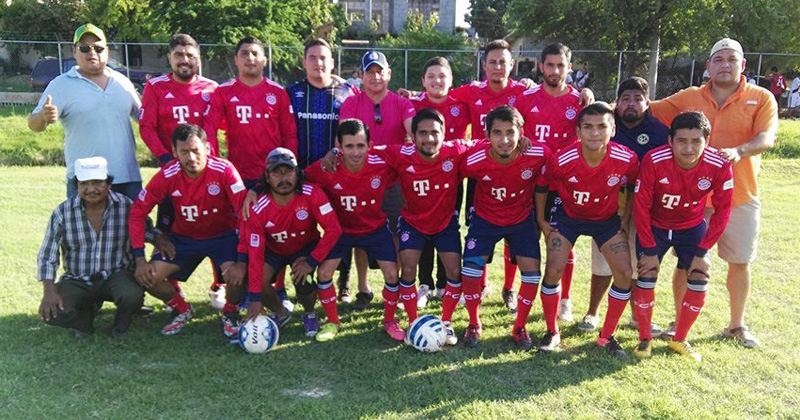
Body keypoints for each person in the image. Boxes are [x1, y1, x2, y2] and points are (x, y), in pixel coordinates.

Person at [649, 38, 778, 348]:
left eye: (732, 59)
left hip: (740, 195)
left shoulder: (761, 97)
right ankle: (678, 322)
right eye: (718, 59)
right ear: (708, 65)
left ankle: (736, 325)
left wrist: (739, 151)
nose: (725, 65)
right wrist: (593, 100)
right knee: (686, 261)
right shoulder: (689, 97)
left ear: (742, 65)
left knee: (740, 261)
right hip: (692, 199)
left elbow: (767, 137)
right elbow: (646, 108)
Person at [535, 102, 638, 357]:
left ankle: (607, 336)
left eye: (602, 127)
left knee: (625, 272)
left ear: (613, 130)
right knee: (553, 269)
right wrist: (542, 220)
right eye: (588, 127)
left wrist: (625, 218)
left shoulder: (627, 158)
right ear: (578, 131)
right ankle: (552, 331)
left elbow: (633, 187)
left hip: (605, 220)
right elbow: (542, 186)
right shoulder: (562, 158)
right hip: (568, 217)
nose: (595, 133)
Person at [203, 36, 298, 311]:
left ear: (264, 59)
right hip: (238, 177)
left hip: (273, 177)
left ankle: (277, 288)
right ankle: (240, 287)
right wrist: (216, 166)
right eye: (244, 53)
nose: (250, 58)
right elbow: (209, 130)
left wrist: (289, 170)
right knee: (240, 234)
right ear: (236, 59)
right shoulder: (224, 92)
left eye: (255, 53)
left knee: (276, 231)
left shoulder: (277, 92)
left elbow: (290, 134)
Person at [632, 112, 733, 362]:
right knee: (646, 273)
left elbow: (723, 211)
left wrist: (702, 252)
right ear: (670, 140)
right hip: (656, 226)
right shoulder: (654, 159)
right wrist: (649, 249)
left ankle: (680, 338)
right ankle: (645, 338)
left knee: (700, 274)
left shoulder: (719, 164)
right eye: (681, 141)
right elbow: (641, 206)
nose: (688, 148)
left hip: (691, 227)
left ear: (707, 141)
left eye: (696, 141)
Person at [129, 124, 247, 338]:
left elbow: (245, 214)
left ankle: (230, 312)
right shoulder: (167, 175)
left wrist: (242, 258)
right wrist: (139, 259)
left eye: (195, 150)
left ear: (207, 148)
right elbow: (137, 212)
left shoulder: (224, 170)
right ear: (174, 152)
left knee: (238, 274)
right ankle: (182, 309)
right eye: (184, 152)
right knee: (148, 277)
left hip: (223, 237)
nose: (191, 157)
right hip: (184, 239)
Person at [370, 108, 474, 345]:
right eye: (423, 133)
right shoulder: (400, 153)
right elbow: (367, 151)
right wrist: (335, 152)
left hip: (445, 224)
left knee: (454, 272)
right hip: (413, 223)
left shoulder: (456, 150)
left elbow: (485, 144)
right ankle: (413, 322)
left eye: (434, 132)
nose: (429, 138)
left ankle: (446, 323)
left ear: (444, 134)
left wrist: (522, 142)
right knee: (407, 270)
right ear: (413, 136)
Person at [139, 33, 225, 309]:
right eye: (179, 55)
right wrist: (167, 159)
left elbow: (214, 129)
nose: (184, 60)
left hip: (207, 173)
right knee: (168, 227)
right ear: (170, 58)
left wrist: (212, 164)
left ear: (198, 58)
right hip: (172, 173)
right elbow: (147, 127)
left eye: (190, 55)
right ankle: (172, 287)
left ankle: (219, 285)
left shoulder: (211, 88)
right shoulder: (156, 86)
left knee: (218, 227)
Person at [580, 77, 669, 334]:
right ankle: (592, 312)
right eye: (625, 99)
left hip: (645, 207)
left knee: (637, 262)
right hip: (609, 206)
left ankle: (636, 316)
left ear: (647, 103)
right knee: (602, 262)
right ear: (617, 102)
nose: (631, 104)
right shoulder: (607, 124)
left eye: (637, 99)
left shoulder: (659, 132)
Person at [304, 119, 407, 341]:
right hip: (341, 231)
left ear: (370, 145)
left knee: (391, 274)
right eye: (349, 146)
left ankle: (390, 320)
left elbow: (410, 159)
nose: (355, 152)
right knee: (324, 273)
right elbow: (299, 179)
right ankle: (332, 322)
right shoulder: (327, 167)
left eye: (360, 145)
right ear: (339, 147)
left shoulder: (382, 163)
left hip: (375, 229)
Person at [458, 106, 549, 349]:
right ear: (487, 135)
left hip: (521, 220)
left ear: (521, 133)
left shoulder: (538, 153)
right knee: (470, 273)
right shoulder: (474, 159)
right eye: (497, 133)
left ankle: (519, 326)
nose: (505, 140)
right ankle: (474, 323)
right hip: (485, 219)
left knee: (532, 275)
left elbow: (556, 169)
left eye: (511, 132)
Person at [37, 157, 154, 339]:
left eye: (97, 183)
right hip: (77, 278)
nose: (91, 189)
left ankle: (121, 325)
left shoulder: (126, 205)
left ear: (109, 184)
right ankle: (85, 320)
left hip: (117, 274)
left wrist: (159, 238)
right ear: (76, 185)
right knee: (52, 312)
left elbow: (145, 231)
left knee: (132, 295)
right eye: (84, 183)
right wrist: (49, 291)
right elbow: (47, 255)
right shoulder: (62, 212)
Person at [28, 24, 142, 200]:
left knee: (132, 220)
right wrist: (42, 117)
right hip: (84, 181)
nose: (92, 52)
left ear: (107, 51)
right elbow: (33, 124)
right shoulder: (61, 85)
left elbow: (145, 119)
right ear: (74, 51)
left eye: (98, 48)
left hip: (127, 179)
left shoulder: (122, 82)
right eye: (84, 48)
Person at [514, 43, 585, 321]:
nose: (555, 70)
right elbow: (511, 130)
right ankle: (516, 291)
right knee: (522, 238)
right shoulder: (525, 98)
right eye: (550, 65)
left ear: (569, 67)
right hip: (528, 181)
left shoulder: (579, 101)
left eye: (560, 65)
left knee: (562, 242)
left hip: (562, 185)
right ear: (541, 67)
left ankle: (564, 299)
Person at [339, 50, 415, 309]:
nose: (375, 77)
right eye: (369, 72)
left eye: (379, 71)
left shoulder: (401, 103)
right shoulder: (352, 103)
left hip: (392, 181)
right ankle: (363, 288)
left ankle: (393, 288)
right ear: (361, 76)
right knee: (360, 234)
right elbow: (343, 137)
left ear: (389, 74)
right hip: (360, 181)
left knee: (395, 234)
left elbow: (413, 128)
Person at [285, 38, 359, 303]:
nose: (319, 63)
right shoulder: (291, 92)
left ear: (332, 62)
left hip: (338, 174)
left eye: (324, 58)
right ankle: (303, 282)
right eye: (313, 58)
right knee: (301, 229)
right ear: (304, 62)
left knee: (343, 225)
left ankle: (344, 281)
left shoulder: (348, 92)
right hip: (302, 175)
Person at [243, 148, 342, 341]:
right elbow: (255, 254)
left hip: (304, 248)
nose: (283, 178)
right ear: (267, 177)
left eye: (288, 172)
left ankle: (309, 312)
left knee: (303, 277)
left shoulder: (312, 193)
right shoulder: (257, 207)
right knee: (256, 279)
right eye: (276, 173)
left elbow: (333, 229)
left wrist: (311, 261)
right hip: (274, 250)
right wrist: (255, 299)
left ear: (297, 173)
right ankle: (280, 312)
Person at [409, 57, 471, 307]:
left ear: (451, 80)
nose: (437, 81)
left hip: (451, 178)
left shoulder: (461, 104)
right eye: (431, 76)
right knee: (422, 227)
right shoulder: (411, 104)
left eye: (442, 76)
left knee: (449, 226)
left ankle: (445, 284)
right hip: (420, 178)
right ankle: (425, 284)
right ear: (423, 81)